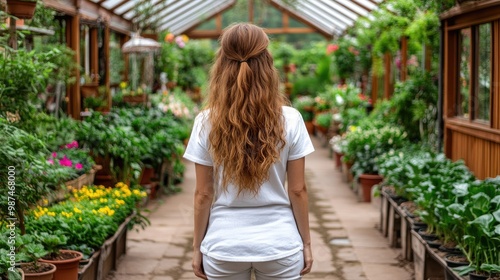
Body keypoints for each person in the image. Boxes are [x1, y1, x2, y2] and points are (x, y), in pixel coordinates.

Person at [183, 22, 314, 280]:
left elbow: (203, 194)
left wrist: (197, 247)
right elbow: (297, 190)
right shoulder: (291, 119)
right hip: (280, 245)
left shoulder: (206, 121)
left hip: (224, 247)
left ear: (222, 64)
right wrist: (306, 244)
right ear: (267, 63)